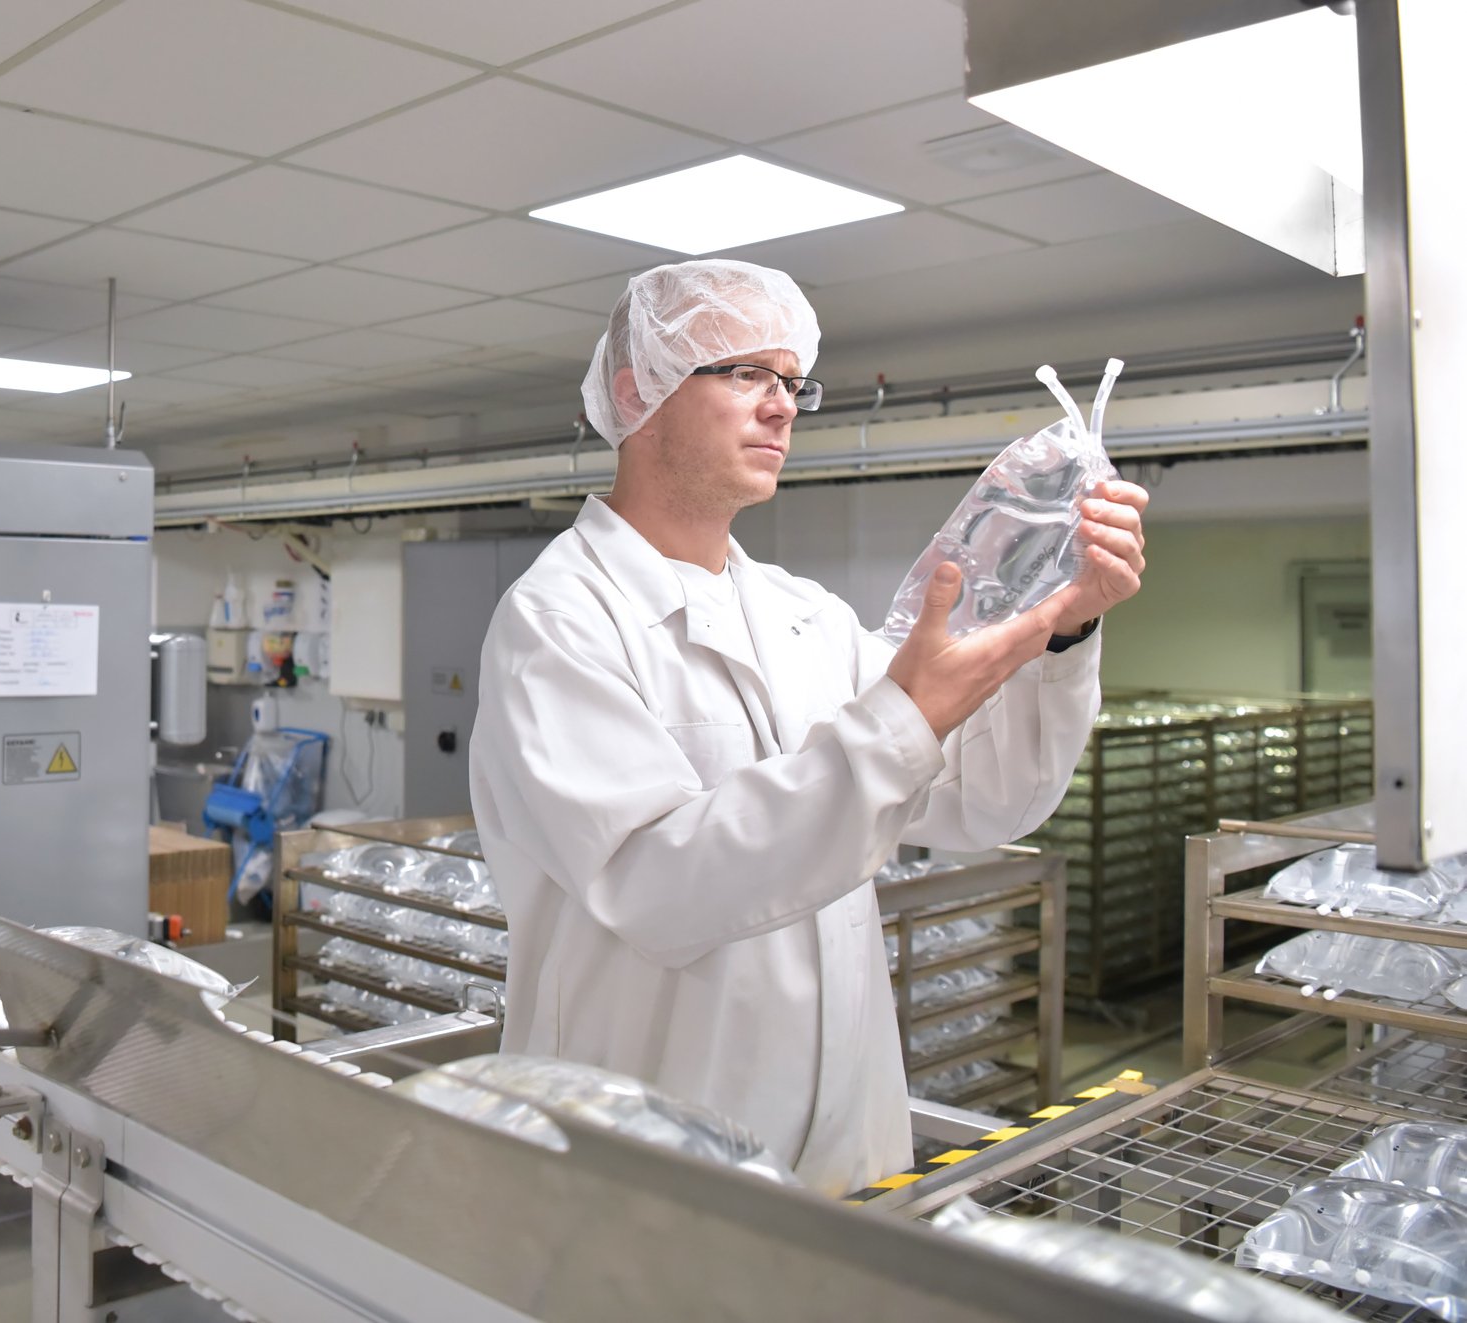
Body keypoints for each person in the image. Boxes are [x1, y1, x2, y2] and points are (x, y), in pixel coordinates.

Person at [468, 259, 1149, 1194]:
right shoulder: (558, 619)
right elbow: (654, 881)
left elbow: (987, 800)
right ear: (636, 394)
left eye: (793, 382)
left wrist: (1062, 628)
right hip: (652, 1170)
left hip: (848, 1155)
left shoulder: (807, 617)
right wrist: (902, 721)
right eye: (746, 373)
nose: (782, 407)